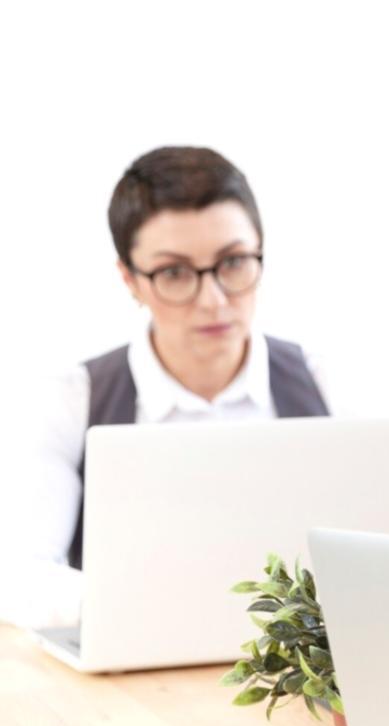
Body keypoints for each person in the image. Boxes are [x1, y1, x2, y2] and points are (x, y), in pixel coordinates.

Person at [0, 146, 328, 629]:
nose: (213, 300)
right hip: (131, 680)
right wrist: (156, 610)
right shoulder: (72, 399)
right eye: (175, 272)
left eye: (234, 262)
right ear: (130, 280)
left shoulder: (324, 382)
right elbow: (19, 575)